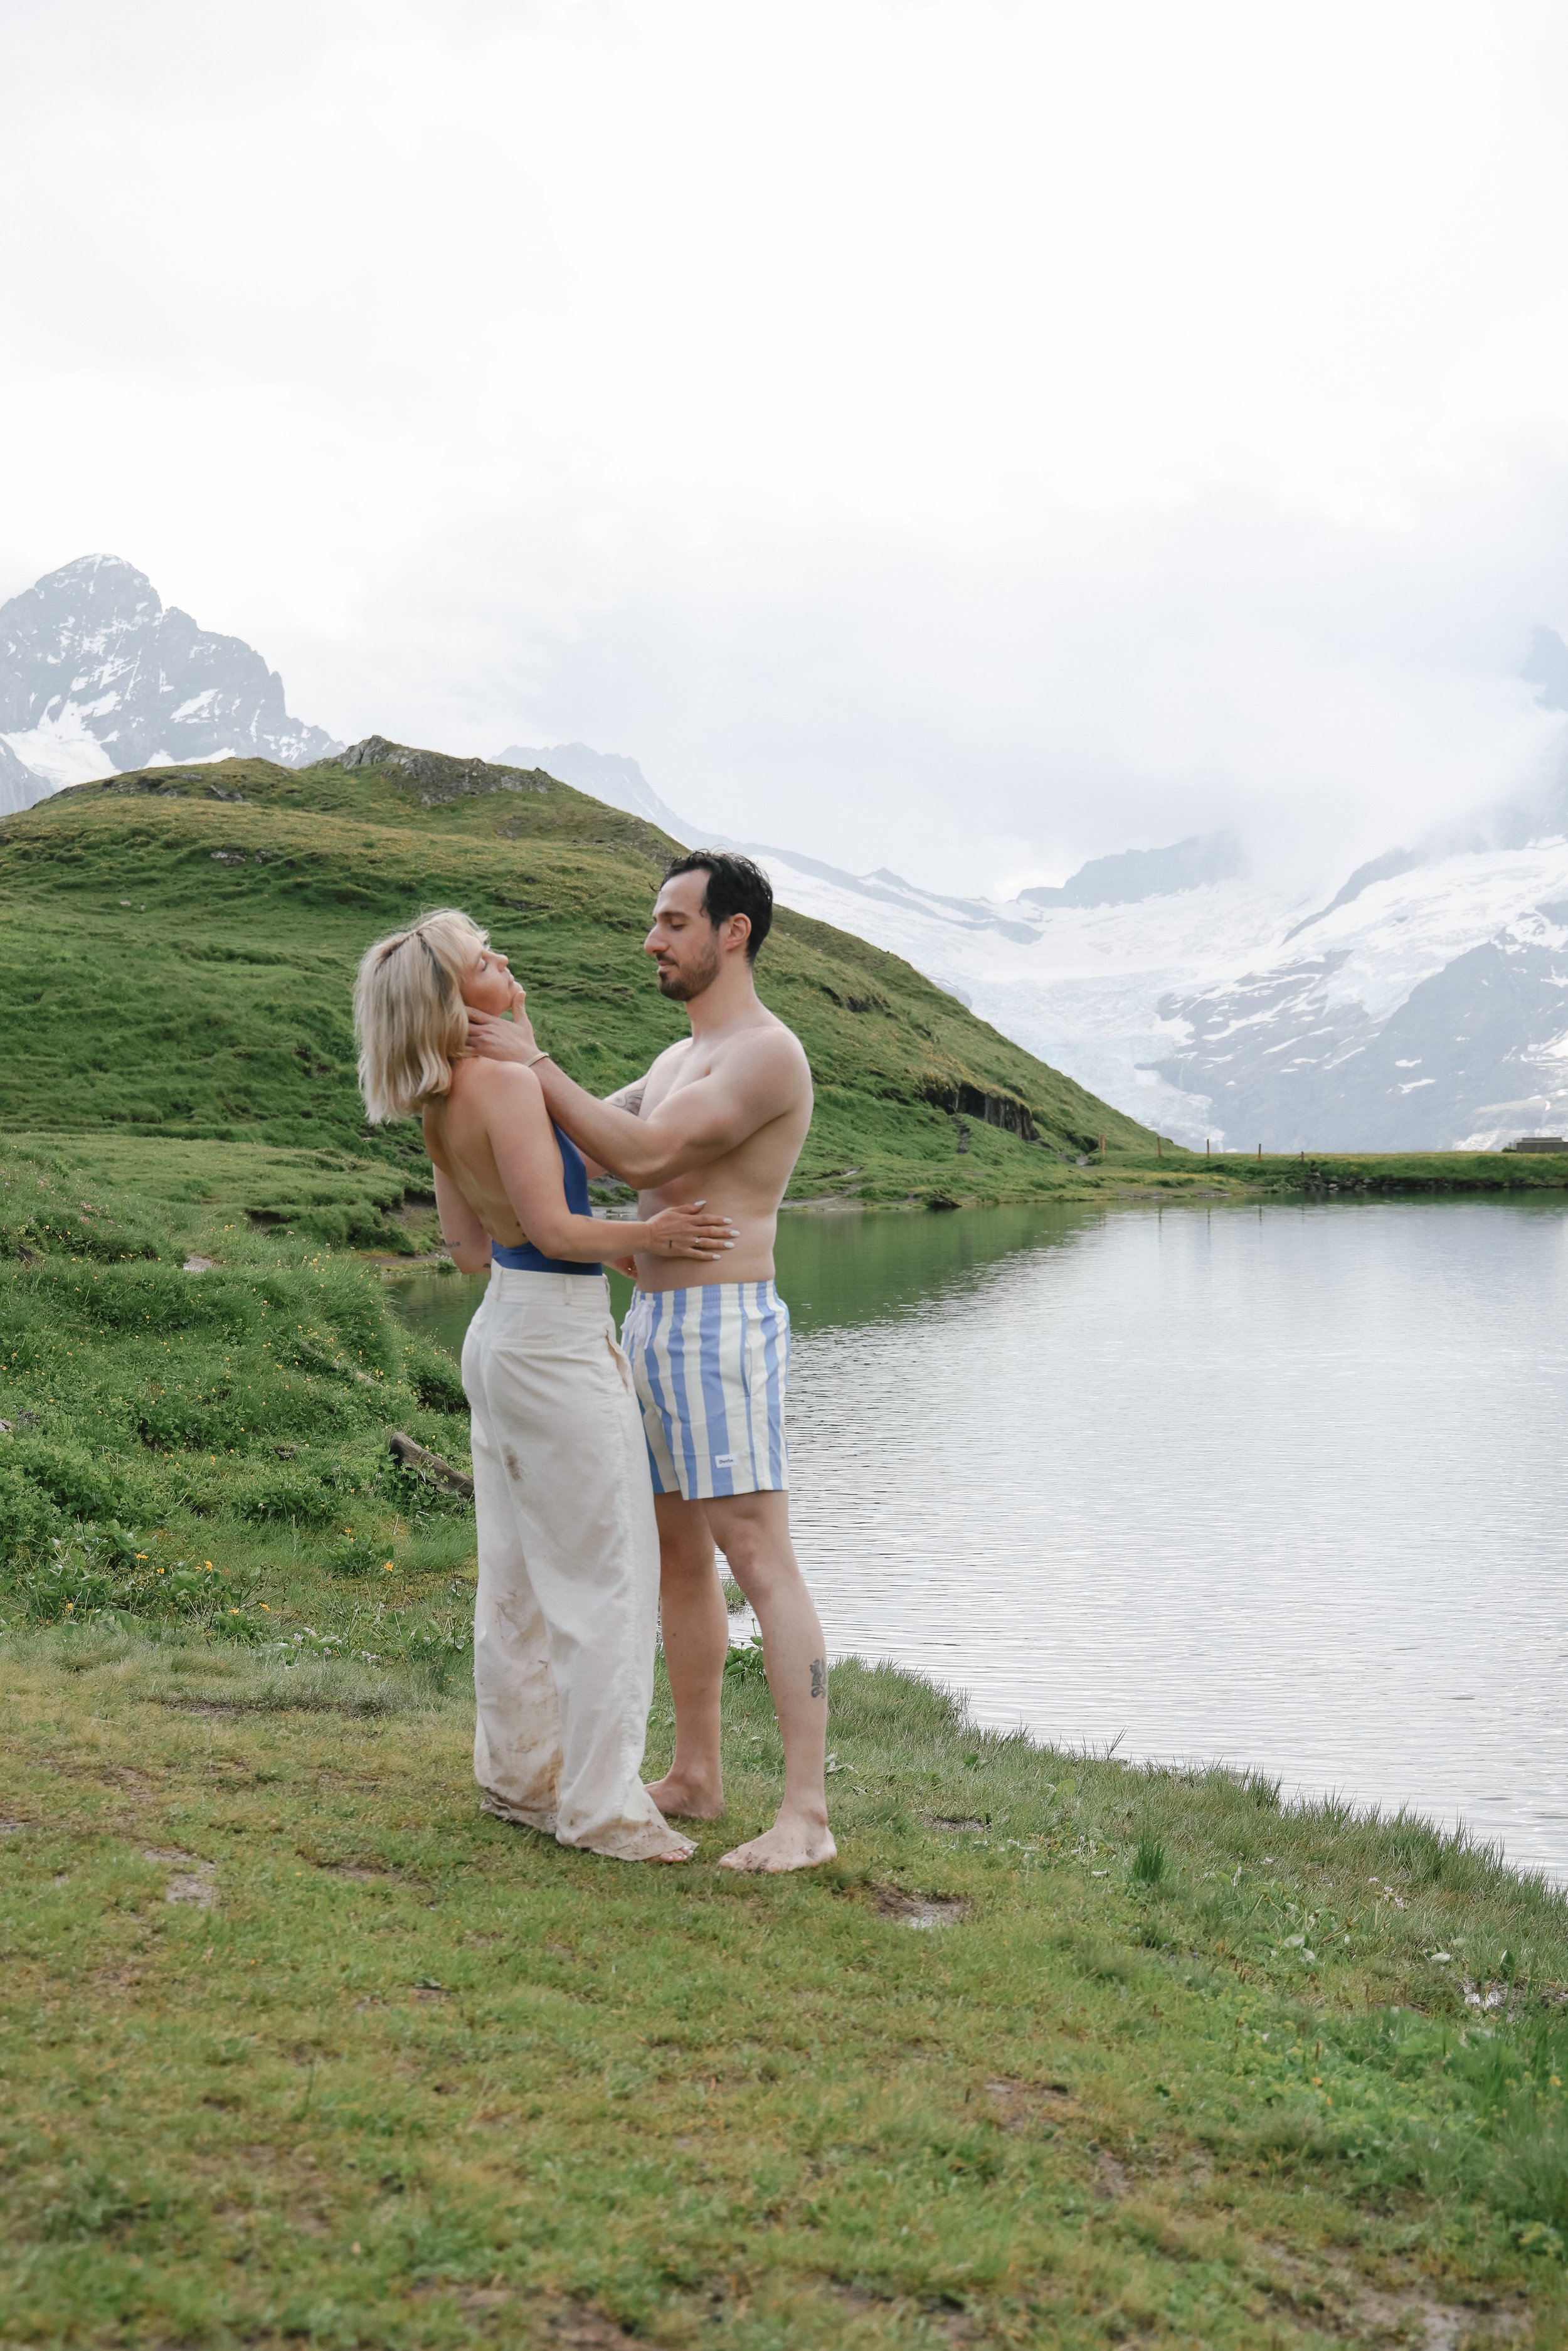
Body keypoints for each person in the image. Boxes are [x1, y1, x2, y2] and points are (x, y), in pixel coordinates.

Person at [468, 852, 835, 1874]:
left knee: (758, 1558)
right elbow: (587, 1144)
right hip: (650, 1326)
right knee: (676, 1563)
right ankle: (698, 1774)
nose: (653, 940)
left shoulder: (765, 1056)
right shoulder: (679, 1058)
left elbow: (642, 1159)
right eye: (654, 921)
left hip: (723, 1327)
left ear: (734, 934)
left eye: (675, 922)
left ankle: (806, 1812)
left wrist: (530, 1056)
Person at [353, 906, 738, 1865]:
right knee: (609, 1575)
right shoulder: (507, 1083)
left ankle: (520, 1778)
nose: (505, 959)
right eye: (485, 958)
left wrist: (598, 1256)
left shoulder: (438, 1094)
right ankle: (603, 1808)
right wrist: (650, 1240)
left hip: (501, 1338)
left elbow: (474, 1248)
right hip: (553, 1350)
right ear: (456, 997)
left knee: (520, 1573)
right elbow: (559, 1231)